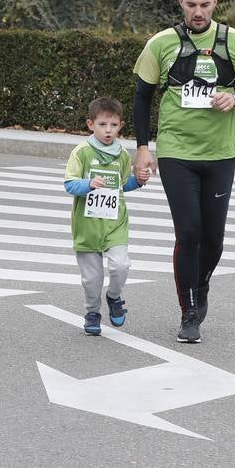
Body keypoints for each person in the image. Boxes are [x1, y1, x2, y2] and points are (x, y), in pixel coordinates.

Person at [132, 0, 235, 344]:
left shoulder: (234, 41)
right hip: (177, 152)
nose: (198, 12)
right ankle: (189, 311)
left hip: (220, 153)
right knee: (189, 231)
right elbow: (142, 96)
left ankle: (202, 282)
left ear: (215, 2)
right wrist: (143, 146)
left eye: (205, 5)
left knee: (214, 239)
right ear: (180, 2)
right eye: (191, 5)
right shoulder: (162, 43)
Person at [64, 97, 142, 336]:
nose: (108, 131)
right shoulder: (82, 152)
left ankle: (114, 297)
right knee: (92, 278)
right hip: (87, 224)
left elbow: (122, 184)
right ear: (90, 124)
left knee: (121, 265)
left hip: (115, 222)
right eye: (102, 125)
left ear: (121, 125)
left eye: (113, 125)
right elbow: (69, 184)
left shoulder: (122, 155)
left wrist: (138, 181)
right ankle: (92, 312)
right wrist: (88, 184)